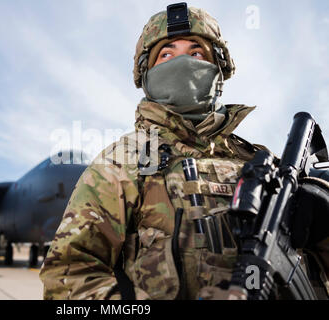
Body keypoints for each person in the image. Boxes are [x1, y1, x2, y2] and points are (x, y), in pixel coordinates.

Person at [39, 3, 329, 300]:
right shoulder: (121, 162)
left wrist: (321, 216)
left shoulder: (259, 161)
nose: (182, 64)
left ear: (218, 68)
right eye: (166, 55)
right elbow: (68, 276)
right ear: (147, 74)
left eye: (196, 53)